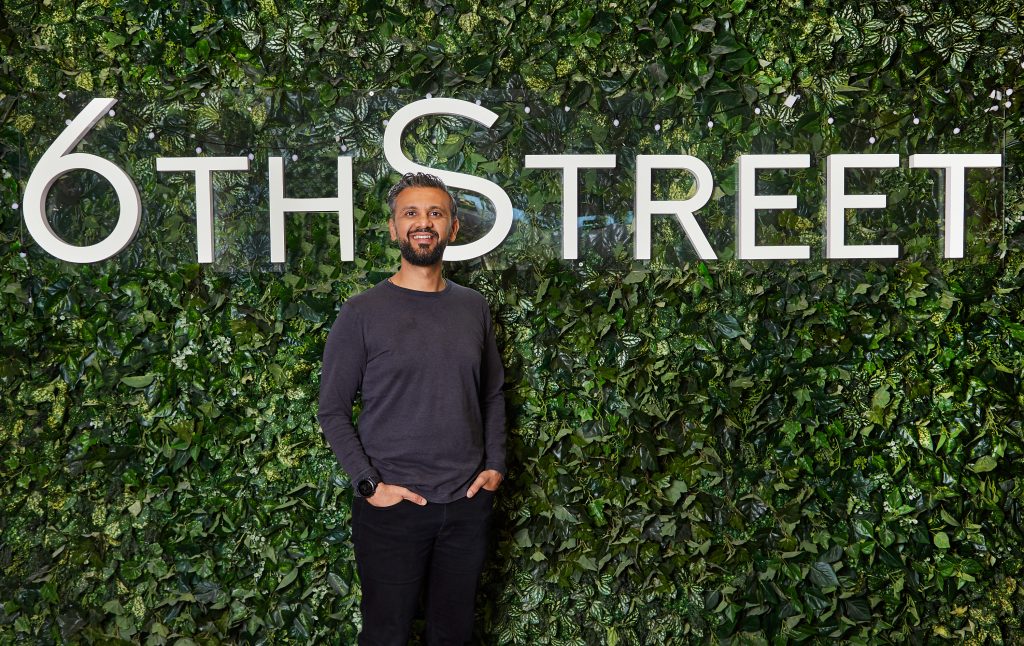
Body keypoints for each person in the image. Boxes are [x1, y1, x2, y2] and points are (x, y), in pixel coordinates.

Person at [317, 172, 506, 645]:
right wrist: (369, 485)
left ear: (453, 228)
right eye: (412, 214)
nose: (424, 223)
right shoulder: (361, 312)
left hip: (465, 505)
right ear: (394, 229)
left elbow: (492, 394)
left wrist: (495, 467)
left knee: (454, 634)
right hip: (392, 508)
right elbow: (333, 409)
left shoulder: (473, 307)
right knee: (386, 635)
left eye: (435, 213)